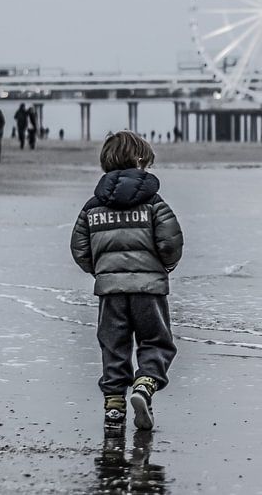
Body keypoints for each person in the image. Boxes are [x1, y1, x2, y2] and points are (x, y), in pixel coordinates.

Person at [70, 130, 183, 431]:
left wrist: (101, 271)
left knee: (114, 346)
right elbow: (171, 242)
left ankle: (114, 408)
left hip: (110, 292)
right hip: (149, 290)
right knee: (156, 341)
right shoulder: (154, 203)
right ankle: (145, 385)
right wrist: (164, 268)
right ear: (140, 161)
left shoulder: (92, 207)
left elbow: (79, 248)